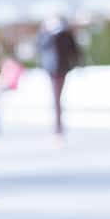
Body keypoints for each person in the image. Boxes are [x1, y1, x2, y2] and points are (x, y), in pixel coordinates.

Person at [38, 13, 81, 142]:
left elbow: (74, 50)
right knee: (56, 98)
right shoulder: (45, 36)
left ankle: (58, 127)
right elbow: (41, 48)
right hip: (51, 70)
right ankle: (58, 127)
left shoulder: (65, 35)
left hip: (62, 69)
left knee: (57, 98)